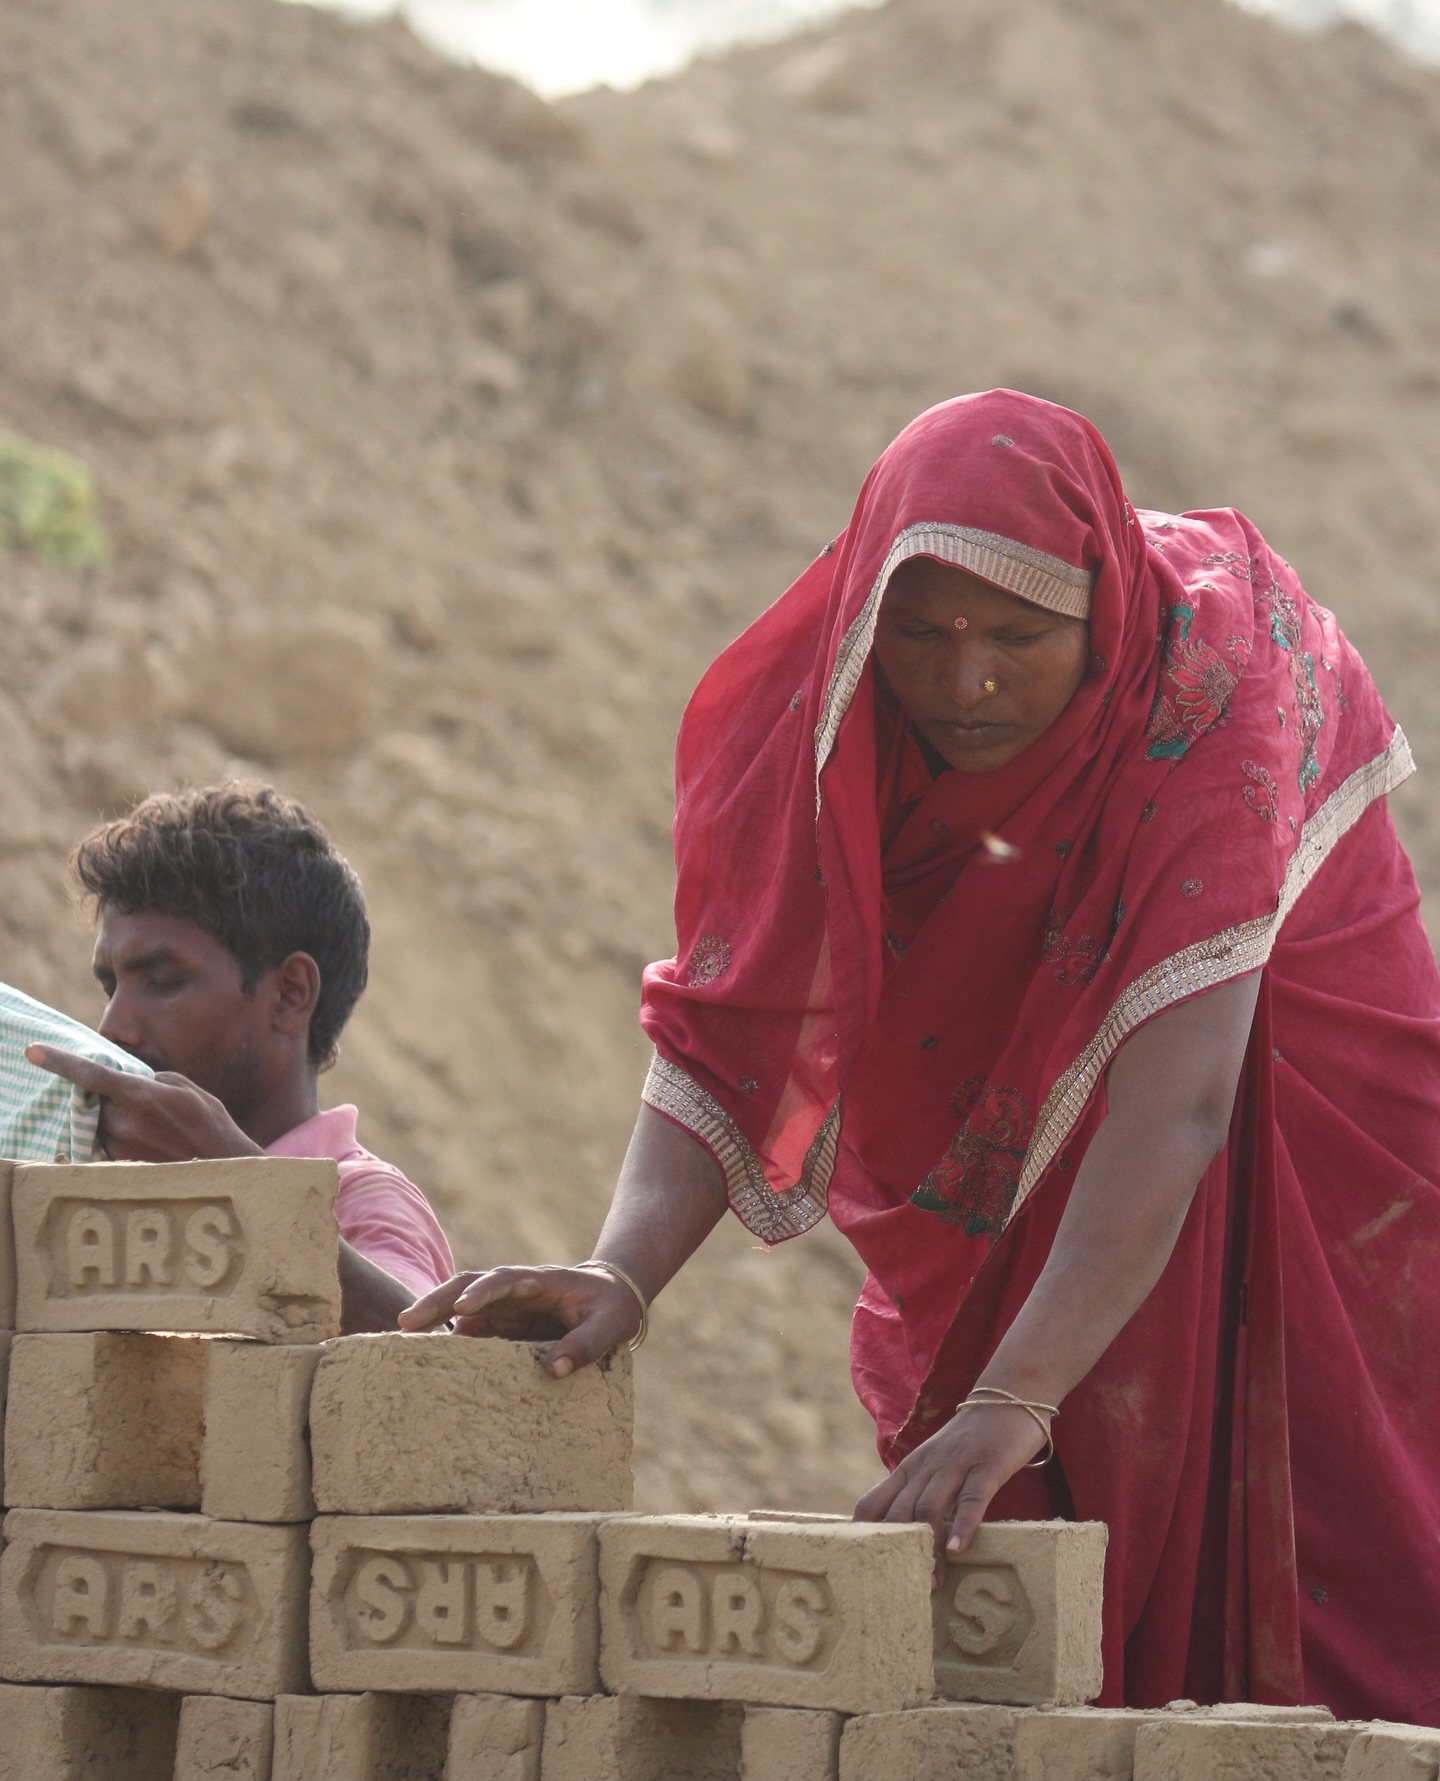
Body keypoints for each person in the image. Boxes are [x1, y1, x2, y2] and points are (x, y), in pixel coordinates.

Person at [403, 391, 1440, 1724]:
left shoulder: (1212, 695)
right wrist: (623, 1271)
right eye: (925, 633)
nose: (967, 684)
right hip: (1067, 1168)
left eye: (1021, 636)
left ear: (1104, 612)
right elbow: (740, 1013)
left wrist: (1017, 1389)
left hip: (1289, 1101)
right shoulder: (828, 702)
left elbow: (1180, 1108)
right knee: (1023, 1581)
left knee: (1328, 1535)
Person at [27, 782, 454, 1332]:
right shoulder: (109, 1196)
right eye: (111, 986)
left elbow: (427, 1355)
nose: (114, 1028)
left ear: (290, 994)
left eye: (161, 981)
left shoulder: (361, 1201)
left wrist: (237, 1182)